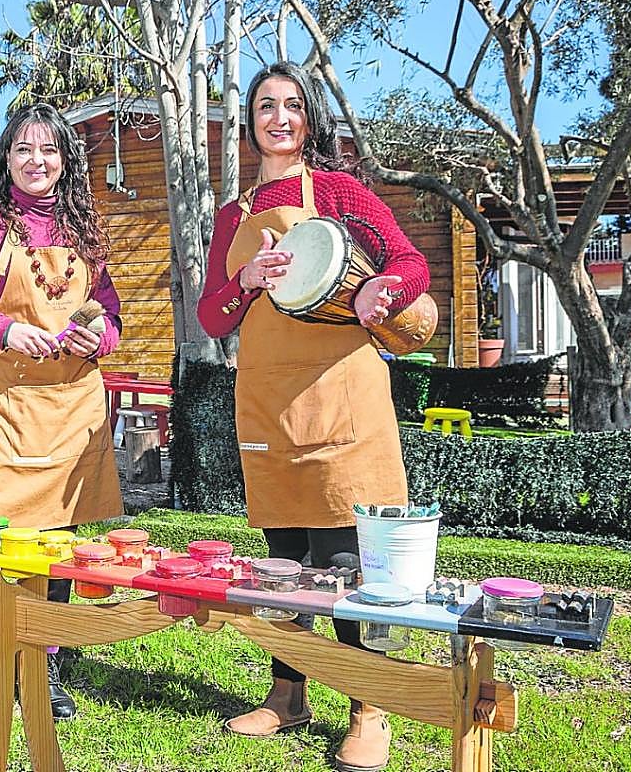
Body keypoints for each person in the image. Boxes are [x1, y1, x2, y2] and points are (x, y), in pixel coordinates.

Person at [197, 61, 430, 772]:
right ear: (249, 124)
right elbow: (211, 316)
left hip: (343, 396)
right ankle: (288, 696)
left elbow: (411, 263)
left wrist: (377, 296)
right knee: (282, 563)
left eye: (291, 106)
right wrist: (243, 281)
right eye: (265, 106)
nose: (278, 117)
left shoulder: (338, 191)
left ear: (309, 118)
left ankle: (369, 707)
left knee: (347, 563)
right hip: (268, 400)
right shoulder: (234, 216)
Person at [0, 102, 124, 737]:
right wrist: (7, 329)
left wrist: (97, 338)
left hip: (72, 408)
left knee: (58, 543)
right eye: (23, 149)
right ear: (6, 158)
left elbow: (111, 313)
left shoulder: (83, 228)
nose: (36, 162)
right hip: (6, 406)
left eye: (48, 150)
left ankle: (44, 666)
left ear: (65, 160)